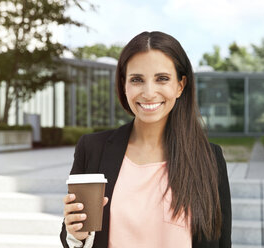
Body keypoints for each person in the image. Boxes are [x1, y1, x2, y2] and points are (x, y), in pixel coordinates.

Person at [60, 31, 231, 248]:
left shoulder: (209, 158)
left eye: (162, 79)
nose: (149, 93)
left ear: (180, 85)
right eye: (137, 80)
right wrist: (75, 233)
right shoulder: (92, 149)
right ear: (124, 85)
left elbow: (222, 242)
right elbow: (72, 239)